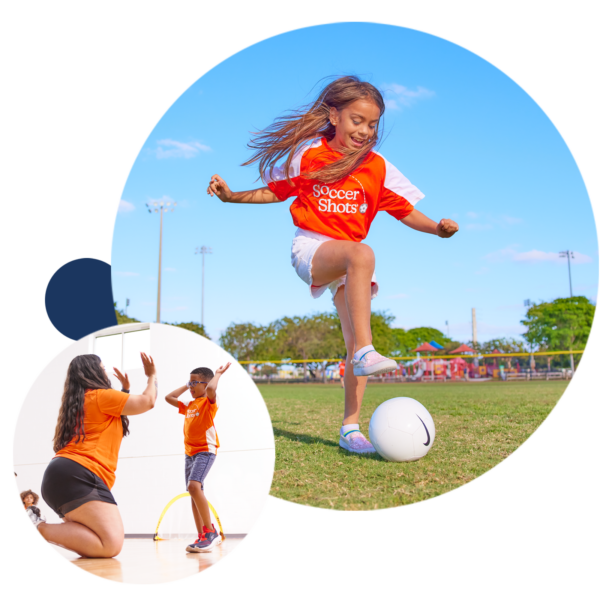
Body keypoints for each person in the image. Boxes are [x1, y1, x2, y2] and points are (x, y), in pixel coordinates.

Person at [207, 76, 459, 454]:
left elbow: (404, 211)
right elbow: (276, 191)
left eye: (372, 124)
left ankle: (350, 427)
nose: (365, 130)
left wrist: (437, 229)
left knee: (355, 336)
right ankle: (365, 351)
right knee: (363, 254)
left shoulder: (376, 166)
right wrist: (231, 198)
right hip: (314, 247)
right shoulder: (309, 154)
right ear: (334, 116)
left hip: (350, 264)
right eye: (357, 120)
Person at [37, 352, 157, 558]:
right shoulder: (100, 396)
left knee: (96, 540)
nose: (105, 373)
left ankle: (36, 531)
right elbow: (148, 401)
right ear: (93, 373)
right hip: (78, 474)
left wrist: (125, 390)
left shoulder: (81, 402)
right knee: (110, 545)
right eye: (102, 369)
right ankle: (37, 530)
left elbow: (116, 413)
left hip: (60, 476)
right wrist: (151, 376)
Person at [165, 363, 231, 553]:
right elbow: (169, 397)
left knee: (194, 487)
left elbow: (211, 388)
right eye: (190, 383)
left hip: (205, 450)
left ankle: (211, 533)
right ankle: (202, 535)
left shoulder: (208, 402)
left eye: (195, 383)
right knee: (193, 492)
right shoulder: (189, 405)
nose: (192, 387)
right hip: (190, 453)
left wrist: (217, 374)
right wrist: (188, 384)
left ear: (205, 384)